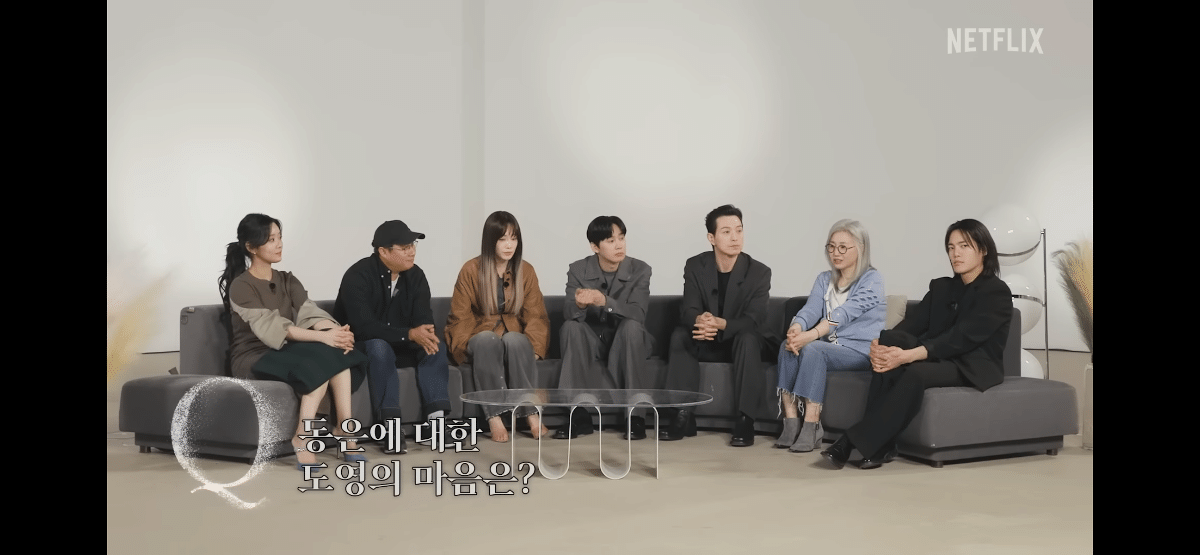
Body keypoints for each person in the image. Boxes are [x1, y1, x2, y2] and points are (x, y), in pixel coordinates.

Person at [822, 218, 1013, 469]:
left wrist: (910, 355)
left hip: (971, 364)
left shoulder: (996, 292)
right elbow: (913, 324)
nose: (955, 253)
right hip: (937, 356)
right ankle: (882, 446)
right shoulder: (942, 287)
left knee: (915, 373)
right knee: (890, 342)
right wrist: (880, 344)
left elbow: (961, 338)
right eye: (951, 247)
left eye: (964, 246)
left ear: (984, 250)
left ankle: (850, 442)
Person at [218, 213, 368, 470]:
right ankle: (303, 438)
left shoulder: (287, 279)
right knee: (319, 363)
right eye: (271, 239)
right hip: (253, 355)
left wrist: (336, 333)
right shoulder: (240, 286)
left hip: (286, 350)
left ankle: (344, 428)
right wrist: (324, 337)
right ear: (251, 247)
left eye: (279, 237)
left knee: (339, 353)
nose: (279, 244)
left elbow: (311, 312)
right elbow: (275, 327)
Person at [333, 220, 452, 455]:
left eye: (413, 245)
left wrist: (424, 333)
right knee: (379, 347)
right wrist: (409, 334)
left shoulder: (416, 275)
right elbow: (363, 328)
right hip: (363, 348)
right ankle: (390, 427)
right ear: (383, 251)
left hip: (402, 345)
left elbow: (423, 319)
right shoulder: (358, 275)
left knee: (434, 345)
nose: (412, 251)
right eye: (405, 247)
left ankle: (436, 423)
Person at [660, 204, 772, 446]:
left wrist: (719, 323)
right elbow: (688, 309)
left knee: (748, 338)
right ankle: (682, 414)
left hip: (741, 342)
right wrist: (701, 320)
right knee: (681, 334)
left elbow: (754, 320)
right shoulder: (695, 265)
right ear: (711, 238)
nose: (735, 238)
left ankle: (746, 419)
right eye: (726, 232)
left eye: (739, 230)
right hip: (707, 339)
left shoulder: (759, 272)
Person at [774, 219, 886, 453]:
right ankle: (791, 421)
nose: (836, 253)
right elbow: (811, 309)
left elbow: (843, 314)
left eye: (843, 247)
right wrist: (797, 327)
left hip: (859, 351)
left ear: (861, 248)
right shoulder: (824, 279)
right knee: (788, 345)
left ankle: (812, 425)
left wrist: (812, 335)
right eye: (832, 247)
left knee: (813, 348)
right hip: (829, 348)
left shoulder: (872, 279)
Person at [445, 211, 551, 443]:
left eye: (513, 238)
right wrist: (463, 348)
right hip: (479, 336)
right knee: (486, 339)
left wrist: (533, 348)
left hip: (514, 336)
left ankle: (531, 412)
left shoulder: (526, 270)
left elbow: (536, 314)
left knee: (515, 339)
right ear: (490, 241)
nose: (509, 245)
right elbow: (460, 317)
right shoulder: (470, 269)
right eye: (502, 239)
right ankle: (493, 416)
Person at [555, 216, 654, 440]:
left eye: (621, 238)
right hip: (593, 341)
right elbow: (568, 312)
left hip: (628, 340)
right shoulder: (578, 269)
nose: (619, 245)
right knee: (571, 327)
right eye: (611, 241)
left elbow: (638, 314)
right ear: (595, 247)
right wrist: (580, 305)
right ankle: (578, 415)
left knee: (631, 327)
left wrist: (605, 302)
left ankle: (636, 417)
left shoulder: (640, 270)